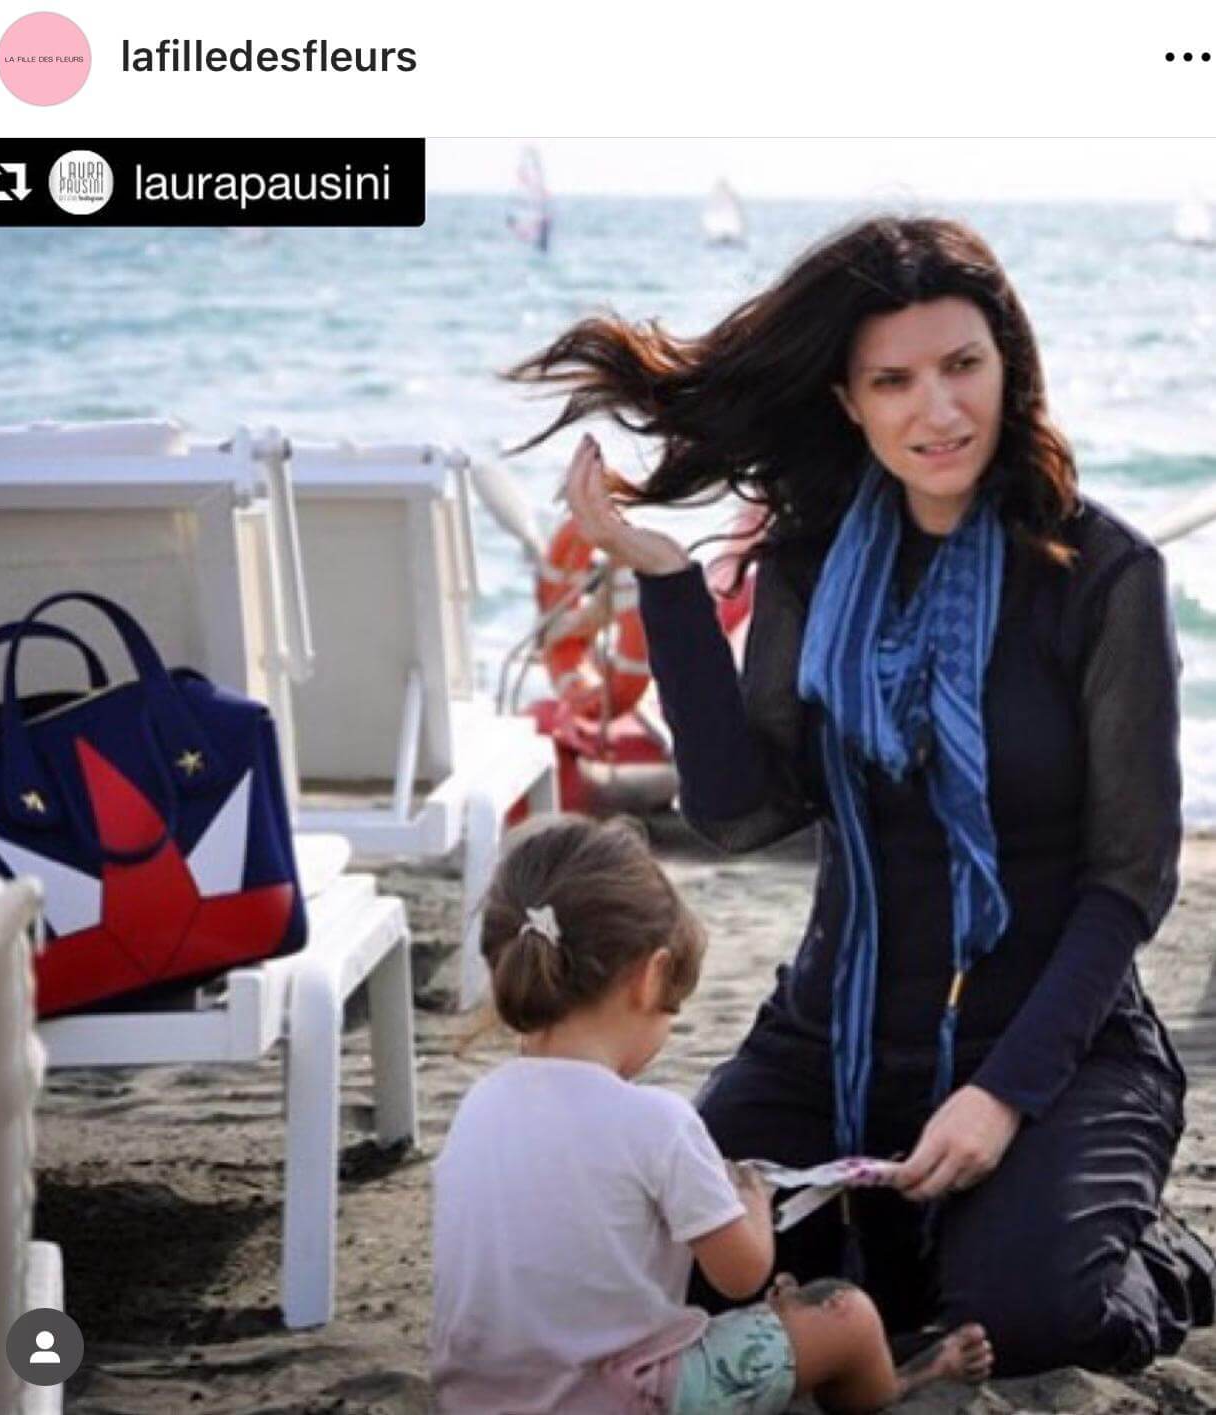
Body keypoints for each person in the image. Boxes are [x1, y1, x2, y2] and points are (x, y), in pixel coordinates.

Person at [503, 213, 1216, 1378]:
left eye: (962, 365)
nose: (938, 409)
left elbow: (1128, 879)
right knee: (663, 1269)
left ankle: (1163, 1254)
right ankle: (924, 1249)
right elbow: (739, 811)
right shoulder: (811, 564)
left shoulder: (1102, 574)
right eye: (893, 380)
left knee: (1029, 1315)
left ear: (1009, 368)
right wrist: (668, 583)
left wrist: (1000, 1094)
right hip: (830, 1035)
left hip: (1054, 1042)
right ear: (847, 400)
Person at [430, 813, 994, 1413]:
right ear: (650, 978)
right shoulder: (656, 1120)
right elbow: (741, 1274)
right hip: (622, 1398)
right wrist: (751, 1204)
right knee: (847, 1314)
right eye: (671, 1009)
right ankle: (894, 1388)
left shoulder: (477, 1107)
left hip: (473, 1398)